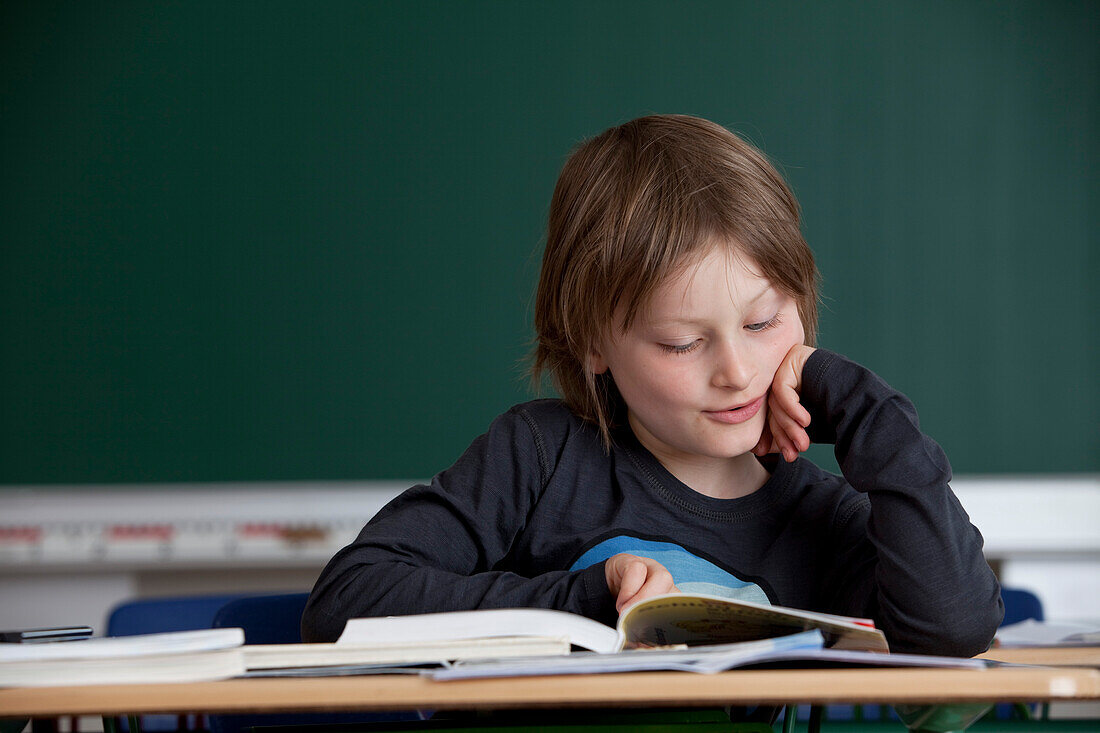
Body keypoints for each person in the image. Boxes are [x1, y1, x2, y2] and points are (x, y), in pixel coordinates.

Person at [301, 114, 1003, 656]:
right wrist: (581, 598)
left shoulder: (822, 516)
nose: (736, 370)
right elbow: (345, 601)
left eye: (763, 322)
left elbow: (953, 632)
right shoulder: (540, 458)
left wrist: (863, 409)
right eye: (681, 341)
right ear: (592, 343)